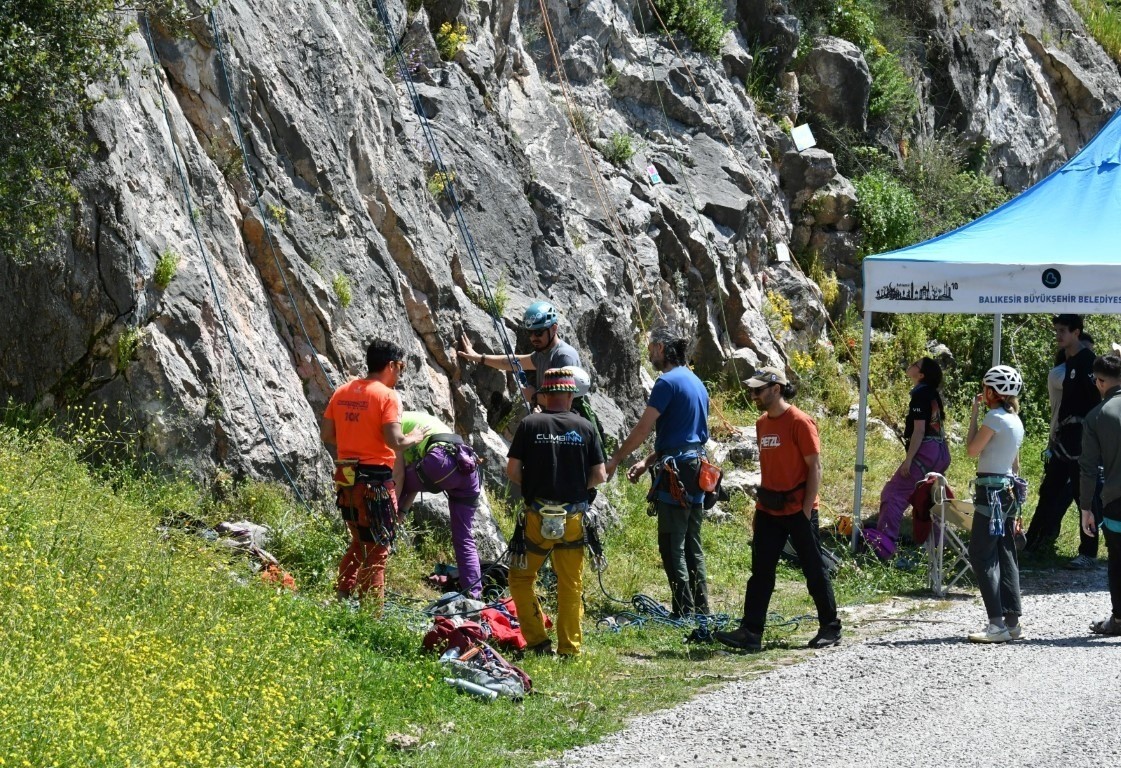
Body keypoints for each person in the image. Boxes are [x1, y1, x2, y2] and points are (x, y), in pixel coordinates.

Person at [715, 366, 841, 652]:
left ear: (776, 389)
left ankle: (830, 628)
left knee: (814, 569)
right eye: (752, 390)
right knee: (761, 571)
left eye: (758, 390)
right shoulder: (762, 423)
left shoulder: (800, 421)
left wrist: (806, 510)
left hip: (799, 510)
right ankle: (751, 632)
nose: (753, 395)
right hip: (769, 509)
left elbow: (815, 468)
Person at [605, 325, 710, 618]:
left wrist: (616, 458)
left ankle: (683, 613)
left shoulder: (666, 383)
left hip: (677, 471)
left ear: (662, 349)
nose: (649, 352)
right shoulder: (697, 383)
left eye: (651, 347)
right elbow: (687, 436)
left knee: (670, 542)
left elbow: (642, 428)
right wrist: (648, 461)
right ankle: (701, 610)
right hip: (698, 468)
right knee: (692, 541)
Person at [506, 368, 606, 657]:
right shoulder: (585, 427)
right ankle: (569, 649)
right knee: (570, 584)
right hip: (573, 520)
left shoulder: (529, 424)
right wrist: (575, 487)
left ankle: (538, 642)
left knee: (521, 579)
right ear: (571, 395)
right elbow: (599, 475)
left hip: (537, 518)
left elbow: (512, 470)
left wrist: (537, 485)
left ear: (545, 395)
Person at [321, 339, 428, 601]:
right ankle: (371, 616)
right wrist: (413, 436)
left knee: (359, 541)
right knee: (379, 548)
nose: (400, 372)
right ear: (391, 365)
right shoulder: (387, 396)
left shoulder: (343, 390)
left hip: (346, 477)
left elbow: (327, 434)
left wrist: (355, 440)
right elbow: (395, 441)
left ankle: (342, 594)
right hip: (375, 482)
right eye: (401, 366)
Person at [1024, 315, 1101, 566]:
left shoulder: (1089, 362)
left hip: (1082, 441)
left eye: (1063, 331)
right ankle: (1032, 544)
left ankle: (1088, 553)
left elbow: (1097, 403)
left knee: (1084, 497)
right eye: (1056, 330)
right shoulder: (1068, 364)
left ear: (1076, 332)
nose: (1058, 335)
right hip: (1063, 439)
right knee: (1049, 491)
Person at [964, 365, 1026, 643]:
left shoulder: (994, 417)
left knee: (981, 554)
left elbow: (971, 450)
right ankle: (1011, 622)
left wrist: (975, 414)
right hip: (1008, 491)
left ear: (991, 391)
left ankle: (996, 624)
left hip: (990, 492)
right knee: (1006, 553)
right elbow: (1015, 463)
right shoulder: (1016, 421)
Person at [867, 357, 951, 559]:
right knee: (930, 500)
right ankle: (939, 549)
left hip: (925, 452)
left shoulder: (920, 395)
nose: (911, 365)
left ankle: (884, 548)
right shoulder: (933, 395)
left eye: (916, 364)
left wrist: (909, 459)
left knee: (893, 494)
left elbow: (920, 431)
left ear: (920, 375)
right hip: (941, 452)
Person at [395, 410, 483, 598]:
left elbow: (399, 477)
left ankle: (379, 547)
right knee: (464, 536)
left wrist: (394, 513)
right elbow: (413, 483)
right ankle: (474, 595)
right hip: (467, 468)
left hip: (442, 462)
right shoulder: (417, 420)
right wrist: (401, 513)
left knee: (389, 486)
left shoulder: (393, 426)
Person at [458, 300, 581, 405]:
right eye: (529, 332)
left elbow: (563, 401)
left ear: (554, 329)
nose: (533, 338)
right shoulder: (543, 353)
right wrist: (479, 357)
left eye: (538, 332)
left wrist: (533, 396)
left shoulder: (564, 356)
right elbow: (512, 362)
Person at [1079, 354, 1121, 636]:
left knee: (1117, 559)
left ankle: (1119, 621)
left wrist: (1086, 508)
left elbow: (1088, 468)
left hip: (1117, 501)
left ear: (1100, 381)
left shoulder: (1096, 416)